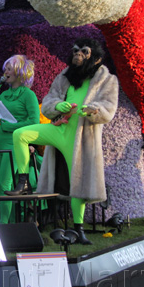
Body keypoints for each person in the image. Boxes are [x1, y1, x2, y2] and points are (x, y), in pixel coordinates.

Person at [12, 38, 119, 244]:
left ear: (96, 58)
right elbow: (49, 101)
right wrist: (57, 106)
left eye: (84, 52)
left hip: (81, 137)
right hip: (59, 129)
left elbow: (108, 108)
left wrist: (93, 110)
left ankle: (79, 229)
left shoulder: (107, 80)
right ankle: (23, 181)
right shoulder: (64, 76)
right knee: (20, 135)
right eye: (76, 51)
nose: (78, 55)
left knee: (77, 182)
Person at [0, 55, 41, 223]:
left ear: (19, 72)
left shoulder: (28, 95)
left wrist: (11, 127)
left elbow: (34, 122)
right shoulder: (4, 94)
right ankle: (9, 223)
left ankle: (4, 227)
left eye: (9, 69)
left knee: (5, 184)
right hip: (0, 143)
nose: (5, 72)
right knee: (1, 185)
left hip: (16, 144)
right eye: (5, 69)